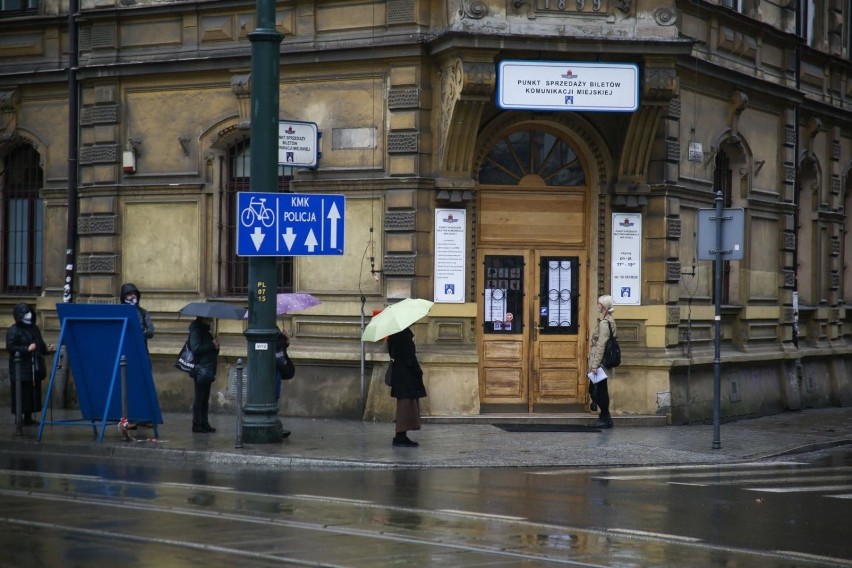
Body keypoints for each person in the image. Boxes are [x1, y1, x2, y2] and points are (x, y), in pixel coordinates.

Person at [6, 303, 53, 426]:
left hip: (34, 367)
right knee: (20, 392)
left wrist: (47, 348)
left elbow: (40, 345)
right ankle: (19, 417)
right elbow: (10, 347)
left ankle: (28, 417)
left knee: (32, 393)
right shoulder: (13, 330)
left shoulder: (34, 329)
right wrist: (26, 348)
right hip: (20, 367)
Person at [387, 327, 427, 447]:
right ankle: (400, 435)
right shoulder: (403, 336)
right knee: (406, 404)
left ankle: (401, 434)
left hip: (400, 373)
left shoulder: (393, 335)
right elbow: (410, 357)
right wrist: (418, 370)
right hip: (406, 374)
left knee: (405, 402)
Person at [588, 294, 616, 429]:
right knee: (597, 389)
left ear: (603, 306)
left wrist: (595, 365)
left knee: (600, 390)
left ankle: (605, 417)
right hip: (601, 362)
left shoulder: (605, 323)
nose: (597, 305)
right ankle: (605, 417)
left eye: (598, 303)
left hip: (601, 362)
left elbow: (601, 345)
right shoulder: (606, 320)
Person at [188, 316, 219, 433]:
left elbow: (210, 349)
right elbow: (196, 348)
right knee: (199, 397)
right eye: (209, 319)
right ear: (203, 319)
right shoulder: (197, 330)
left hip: (207, 367)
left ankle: (204, 423)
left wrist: (216, 346)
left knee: (205, 398)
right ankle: (197, 423)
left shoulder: (205, 331)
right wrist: (212, 345)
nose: (211, 321)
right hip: (201, 368)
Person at [120, 283, 154, 351]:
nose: (133, 296)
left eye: (134, 294)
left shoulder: (143, 312)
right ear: (124, 297)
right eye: (130, 294)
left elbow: (150, 331)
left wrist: (139, 334)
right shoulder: (119, 312)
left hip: (140, 348)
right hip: (124, 349)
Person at [274, 326, 293, 439]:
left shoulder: (274, 326)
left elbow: (279, 348)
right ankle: (274, 425)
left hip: (277, 368)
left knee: (276, 397)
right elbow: (273, 345)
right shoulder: (267, 326)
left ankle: (275, 424)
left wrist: (285, 341)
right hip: (271, 369)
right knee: (273, 396)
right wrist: (283, 337)